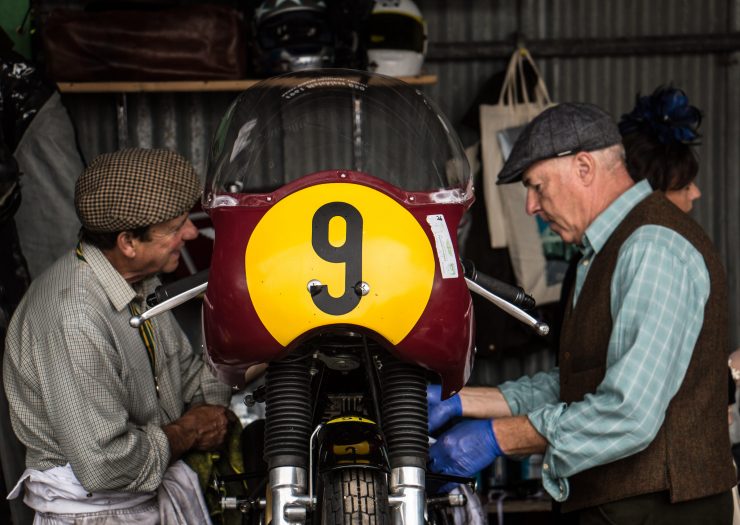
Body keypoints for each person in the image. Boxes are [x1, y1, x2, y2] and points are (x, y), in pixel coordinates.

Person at [427, 102, 736, 523]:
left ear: (585, 168)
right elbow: (581, 383)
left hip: (660, 511)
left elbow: (626, 412)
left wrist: (497, 437)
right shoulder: (604, 251)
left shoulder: (653, 247)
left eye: (537, 186)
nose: (531, 207)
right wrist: (463, 403)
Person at [3, 148, 234, 523]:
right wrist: (190, 431)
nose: (192, 232)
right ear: (128, 242)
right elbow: (107, 466)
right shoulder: (74, 318)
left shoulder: (139, 284)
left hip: (142, 504)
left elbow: (187, 381)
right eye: (176, 228)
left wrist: (256, 350)